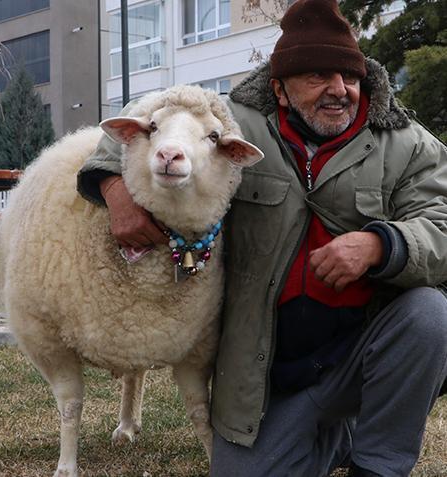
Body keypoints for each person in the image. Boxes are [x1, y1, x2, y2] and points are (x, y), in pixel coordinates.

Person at [77, 0, 447, 475]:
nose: (339, 91)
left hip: (361, 353)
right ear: (280, 90)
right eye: (318, 77)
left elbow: (442, 223)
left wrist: (381, 244)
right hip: (267, 375)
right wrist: (114, 188)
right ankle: (331, 438)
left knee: (430, 315)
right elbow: (147, 113)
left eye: (350, 78)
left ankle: (376, 462)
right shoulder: (233, 124)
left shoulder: (406, 143)